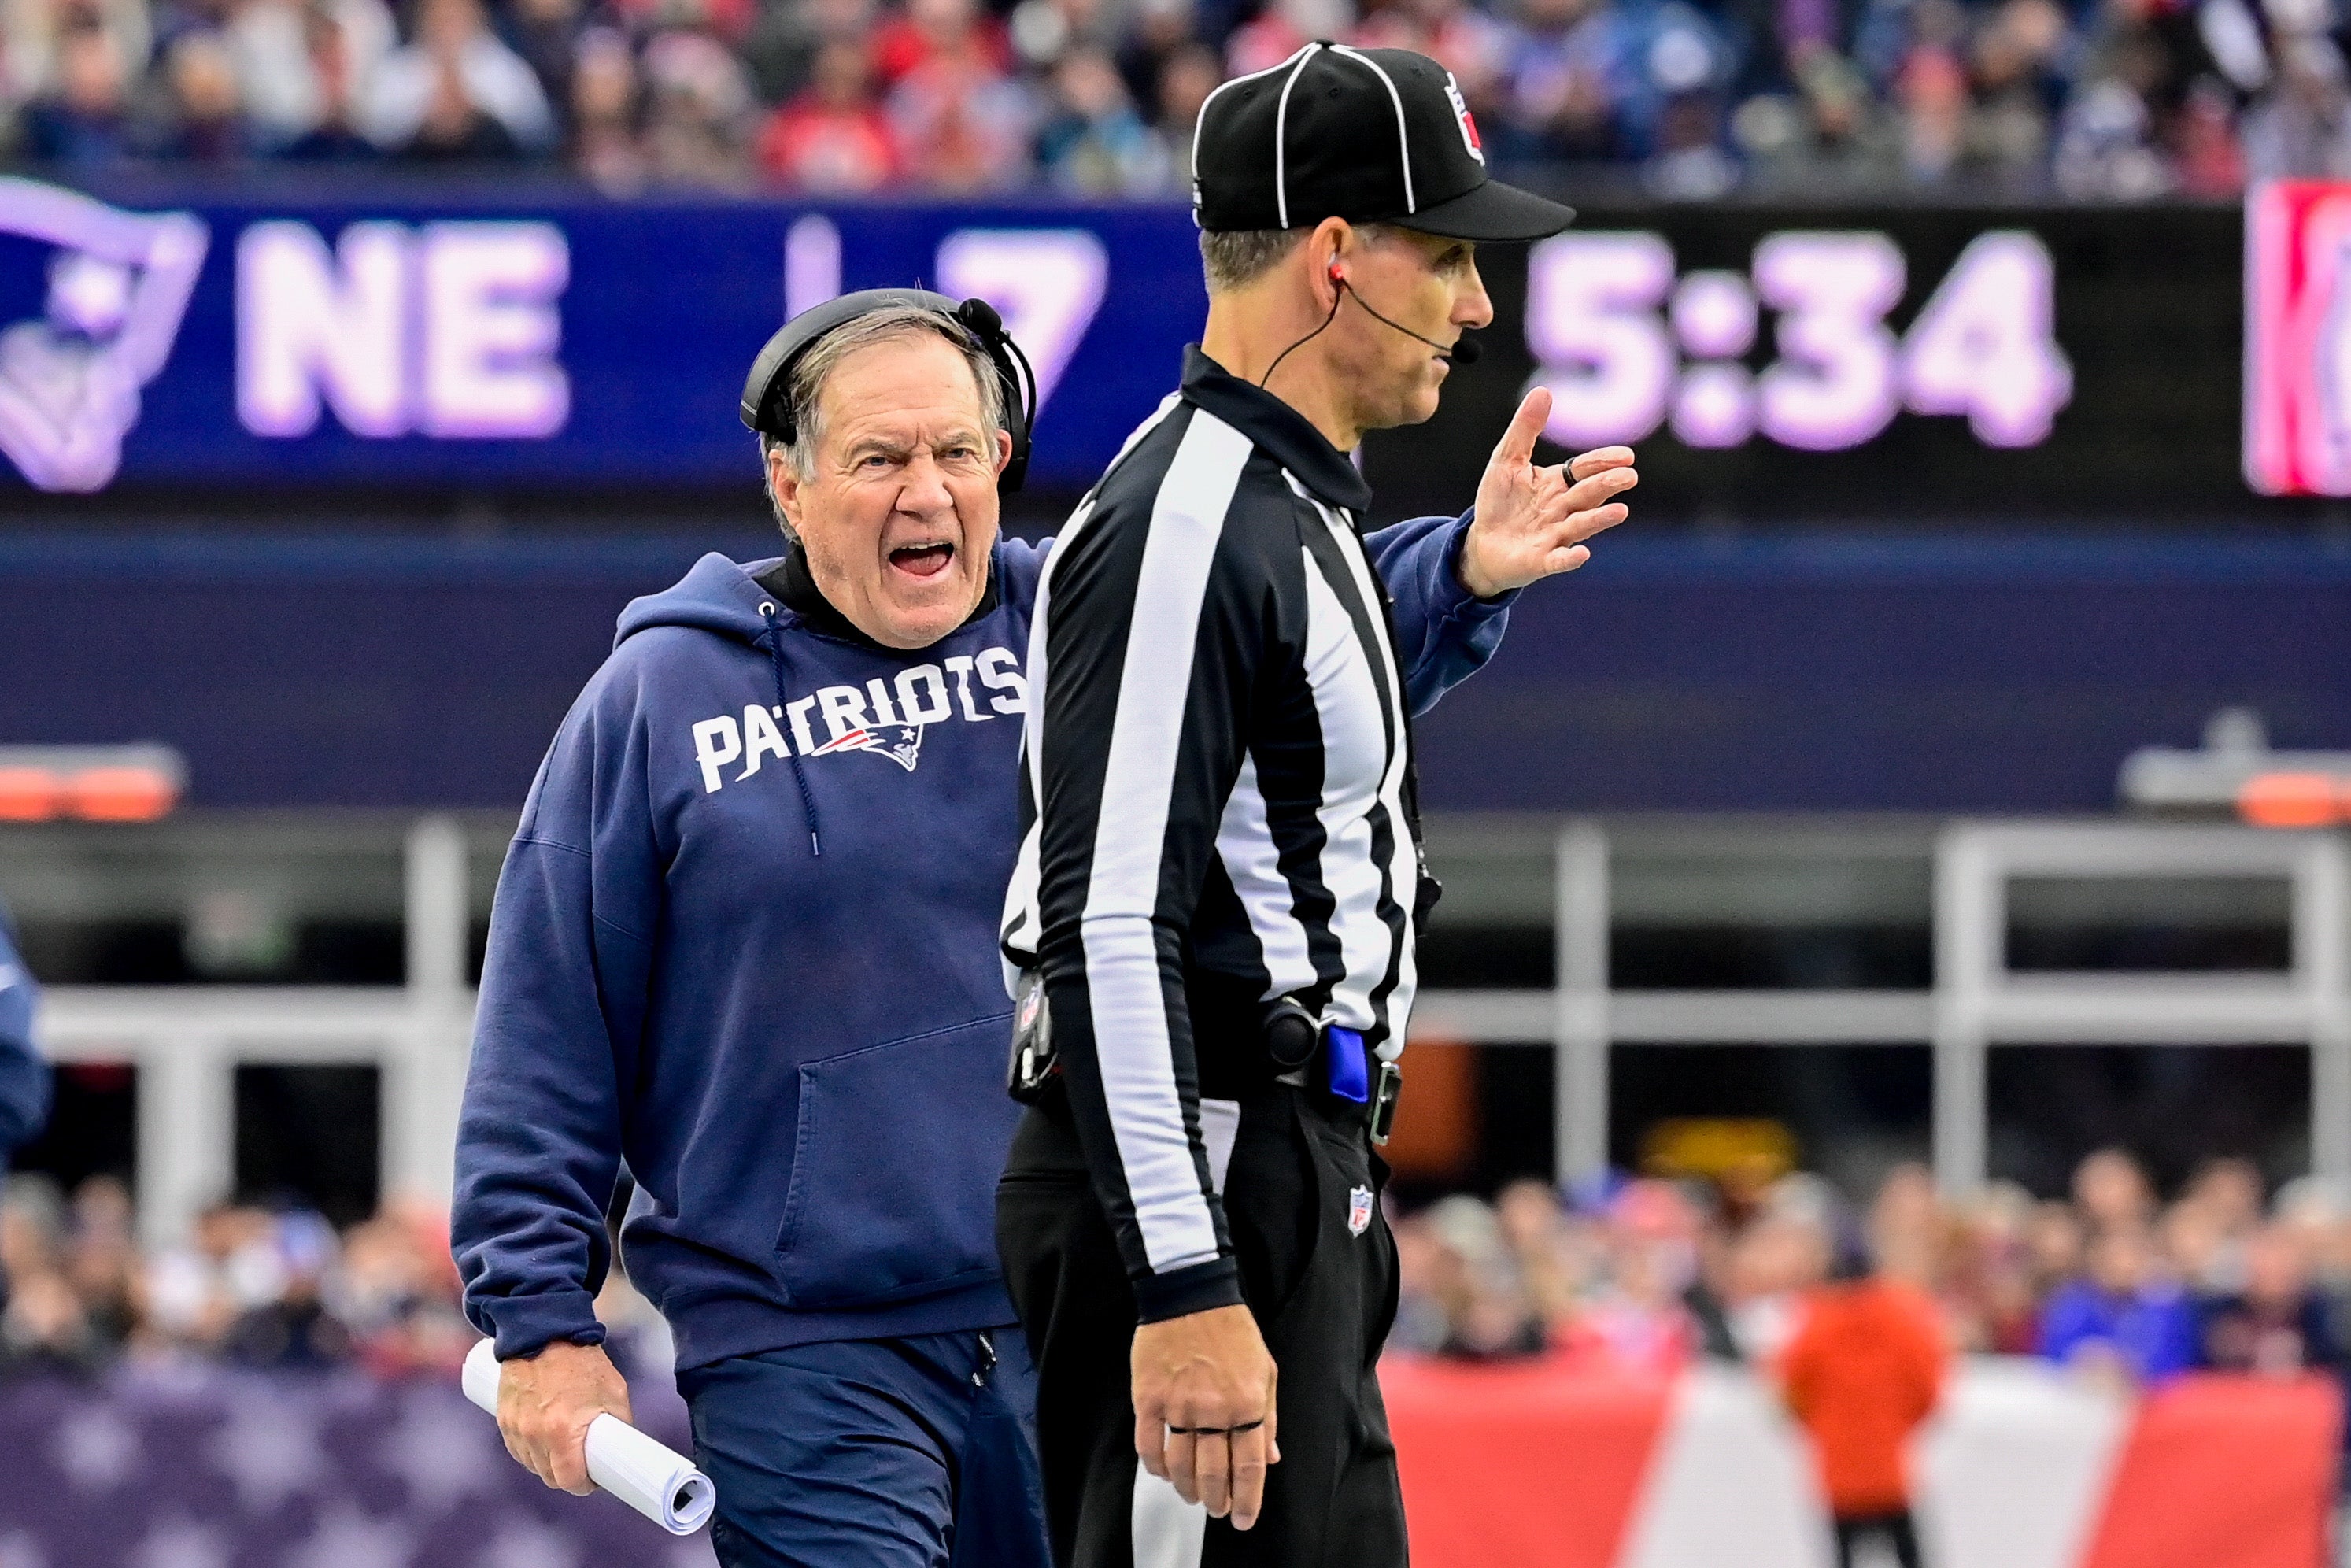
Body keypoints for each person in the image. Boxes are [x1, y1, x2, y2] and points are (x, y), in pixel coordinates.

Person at [451, 287, 1543, 1566]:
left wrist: (1452, 571)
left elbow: (1286, 629)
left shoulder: (1075, 614)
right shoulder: (654, 702)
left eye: (955, 452)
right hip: (806, 1351)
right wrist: (538, 1317)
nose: (927, 492)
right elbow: (548, 1025)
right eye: (879, 459)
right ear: (788, 486)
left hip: (1076, 1306)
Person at [995, 43, 1637, 1566]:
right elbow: (1106, 917)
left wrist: (1452, 582)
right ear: (1335, 256)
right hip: (1216, 1162)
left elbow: (1280, 742)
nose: (1475, 307)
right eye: (1448, 255)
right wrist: (1177, 1279)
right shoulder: (1188, 513)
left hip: (1281, 1164)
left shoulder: (1286, 501)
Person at [1778, 1171, 1950, 1568]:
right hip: (1891, 1470)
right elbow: (1931, 1387)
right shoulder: (1902, 1313)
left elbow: (1789, 1389)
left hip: (1837, 1473)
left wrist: (1821, 1426)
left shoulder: (1815, 1319)